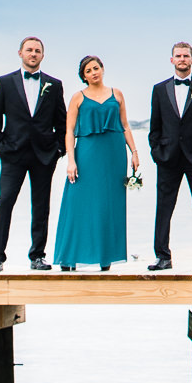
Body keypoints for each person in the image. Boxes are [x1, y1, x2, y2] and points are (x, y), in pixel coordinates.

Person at [0, 36, 67, 272]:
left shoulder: (54, 85)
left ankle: (37, 256)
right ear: (20, 53)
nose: (33, 54)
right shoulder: (4, 83)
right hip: (13, 153)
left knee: (41, 206)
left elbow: (61, 121)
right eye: (29, 50)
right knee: (5, 202)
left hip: (44, 155)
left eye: (37, 51)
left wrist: (59, 149)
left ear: (43, 56)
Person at [52, 56, 138, 270]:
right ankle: (69, 256)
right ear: (84, 76)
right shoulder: (78, 98)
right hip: (87, 154)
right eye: (88, 70)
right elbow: (69, 131)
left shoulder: (116, 94)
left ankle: (105, 256)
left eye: (96, 68)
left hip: (114, 154)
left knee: (108, 204)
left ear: (103, 69)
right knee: (77, 203)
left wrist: (134, 152)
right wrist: (71, 161)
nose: (93, 72)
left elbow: (125, 125)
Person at [146, 42, 192, 272]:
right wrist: (156, 152)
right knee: (164, 207)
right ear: (171, 60)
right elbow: (154, 126)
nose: (182, 59)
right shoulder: (159, 89)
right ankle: (162, 256)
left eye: (186, 56)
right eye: (178, 56)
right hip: (167, 157)